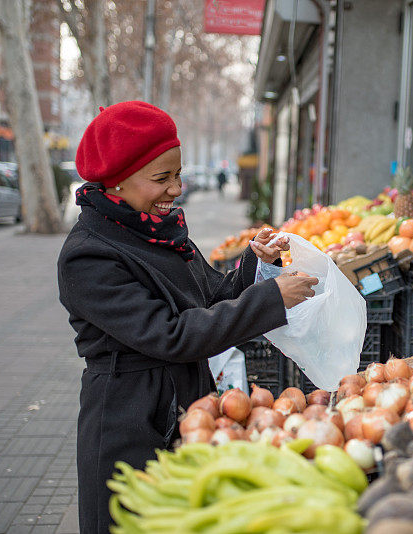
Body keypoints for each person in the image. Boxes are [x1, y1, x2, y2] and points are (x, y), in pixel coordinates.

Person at [56, 101, 318, 533]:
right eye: (161, 178)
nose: (175, 189)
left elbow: (210, 295)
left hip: (186, 405)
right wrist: (271, 299)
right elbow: (172, 335)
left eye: (177, 175)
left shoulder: (157, 228)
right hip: (131, 419)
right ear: (117, 181)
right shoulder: (88, 255)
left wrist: (257, 267)